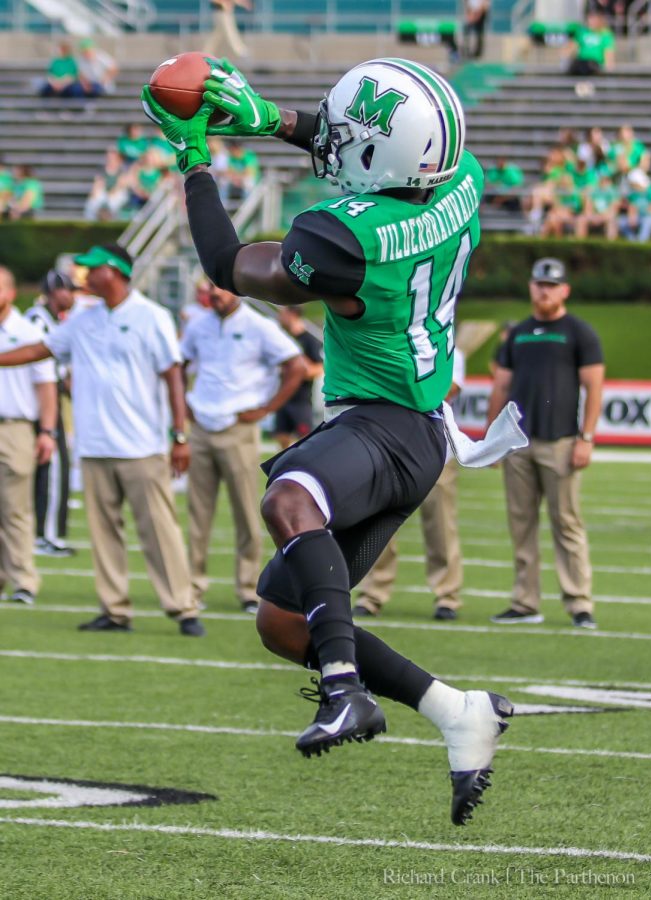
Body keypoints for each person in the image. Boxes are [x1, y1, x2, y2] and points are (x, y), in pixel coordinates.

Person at [141, 56, 519, 826]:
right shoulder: (461, 176)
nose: (334, 143)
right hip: (414, 428)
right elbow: (368, 151)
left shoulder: (345, 241)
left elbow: (226, 265)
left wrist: (195, 158)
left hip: (385, 423)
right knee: (283, 623)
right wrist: (272, 119)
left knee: (290, 495)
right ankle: (457, 712)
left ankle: (345, 688)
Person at [0, 244, 204, 637]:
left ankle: (182, 607)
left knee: (159, 530)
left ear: (113, 271)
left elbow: (173, 376)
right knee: (103, 534)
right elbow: (39, 349)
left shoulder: (152, 316)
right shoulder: (82, 319)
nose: (84, 277)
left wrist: (179, 435)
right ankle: (114, 609)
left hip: (141, 447)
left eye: (91, 270)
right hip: (94, 447)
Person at [487, 258, 604, 629]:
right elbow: (501, 386)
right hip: (519, 442)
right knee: (521, 524)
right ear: (531, 288)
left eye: (552, 285)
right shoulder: (518, 333)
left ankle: (579, 603)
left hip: (561, 442)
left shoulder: (579, 332)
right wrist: (492, 440)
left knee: (566, 523)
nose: (545, 290)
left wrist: (586, 437)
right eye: (539, 284)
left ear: (565, 290)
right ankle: (525, 602)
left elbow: (594, 387)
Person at [180, 285, 305, 613]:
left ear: (236, 290)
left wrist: (266, 409)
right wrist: (183, 406)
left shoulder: (259, 326)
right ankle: (192, 586)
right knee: (197, 512)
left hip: (239, 426)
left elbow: (297, 366)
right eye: (209, 289)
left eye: (219, 289)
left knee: (247, 511)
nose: (214, 295)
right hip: (202, 426)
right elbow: (179, 364)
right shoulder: (198, 324)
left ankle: (248, 588)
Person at [353, 348, 466, 620]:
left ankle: (447, 595)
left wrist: (398, 383)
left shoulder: (448, 347)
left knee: (440, 524)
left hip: (434, 448)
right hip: (386, 445)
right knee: (377, 524)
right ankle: (372, 594)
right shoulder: (385, 343)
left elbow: (446, 390)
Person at [0, 266, 57, 606]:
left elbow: (46, 388)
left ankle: (23, 580)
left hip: (15, 427)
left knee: (15, 508)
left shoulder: (27, 331)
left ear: (8, 292)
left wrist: (46, 432)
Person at [25, 270, 77, 557]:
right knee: (54, 466)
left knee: (52, 467)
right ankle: (47, 535)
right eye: (66, 290)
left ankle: (44, 533)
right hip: (41, 400)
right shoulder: (37, 319)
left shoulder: (54, 319)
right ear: (53, 291)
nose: (70, 295)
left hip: (50, 396)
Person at [274, 306, 323, 449]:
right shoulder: (283, 338)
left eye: (282, 313)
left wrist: (299, 369)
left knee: (305, 443)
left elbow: (318, 369)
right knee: (281, 439)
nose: (279, 317)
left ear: (292, 314)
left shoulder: (309, 340)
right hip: (282, 398)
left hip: (301, 402)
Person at [83, 147, 131, 221]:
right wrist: (93, 194)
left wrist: (111, 193)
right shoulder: (102, 169)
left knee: (113, 201)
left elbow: (121, 184)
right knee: (92, 202)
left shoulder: (122, 169)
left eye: (112, 158)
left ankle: (109, 218)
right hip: (105, 192)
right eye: (109, 157)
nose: (110, 160)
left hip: (117, 193)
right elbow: (97, 184)